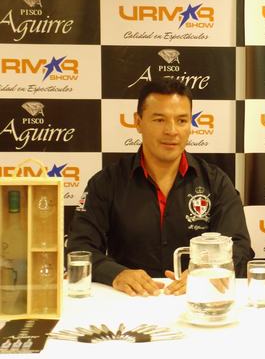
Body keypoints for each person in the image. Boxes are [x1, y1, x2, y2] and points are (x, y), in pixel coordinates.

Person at [67, 79, 254, 296]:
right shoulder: (106, 182)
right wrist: (116, 274)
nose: (171, 131)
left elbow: (239, 246)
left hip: (198, 298)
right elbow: (79, 248)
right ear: (138, 122)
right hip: (130, 301)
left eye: (181, 120)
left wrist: (209, 271)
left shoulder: (216, 182)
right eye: (159, 120)